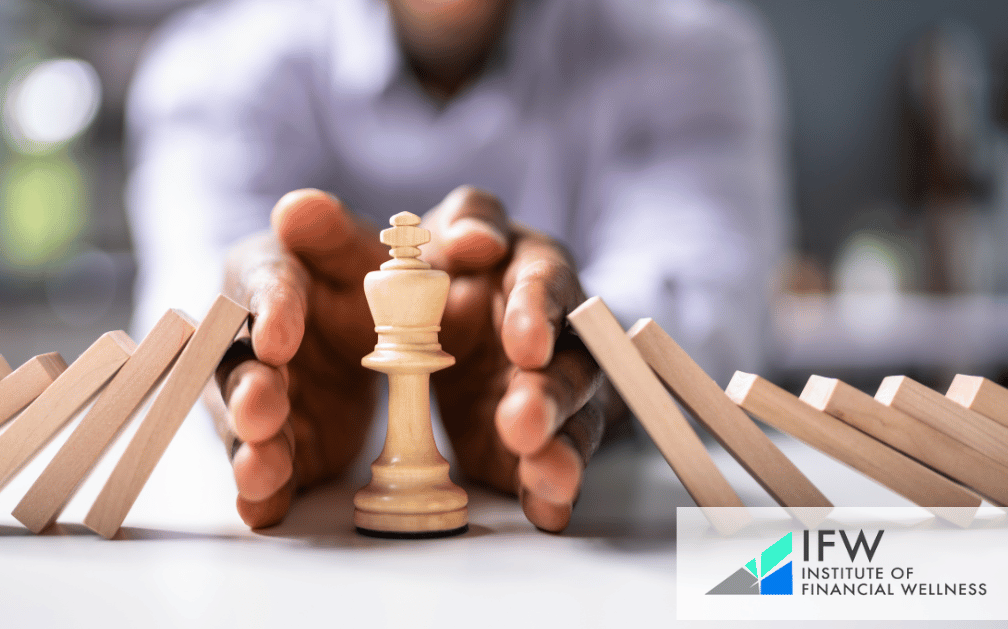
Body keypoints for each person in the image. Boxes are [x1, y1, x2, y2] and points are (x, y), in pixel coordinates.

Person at [125, 0, 789, 532]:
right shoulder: (214, 59)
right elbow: (187, 296)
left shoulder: (688, 42)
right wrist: (247, 349)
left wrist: (581, 364)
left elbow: (708, 300)